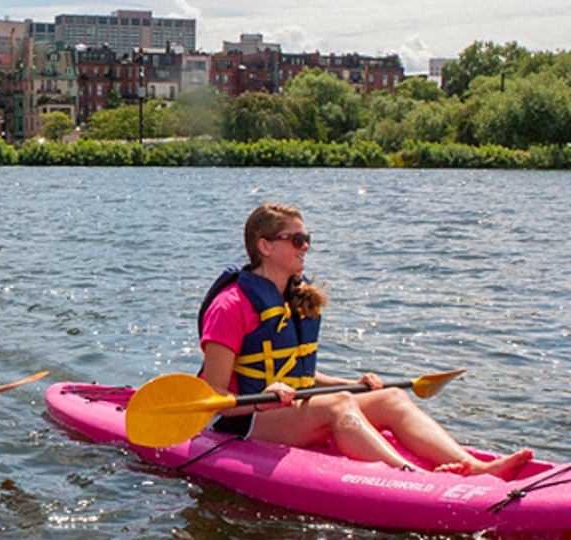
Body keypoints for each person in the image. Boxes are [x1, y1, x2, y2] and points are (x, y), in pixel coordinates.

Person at [198, 202, 532, 480]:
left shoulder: (292, 298)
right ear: (265, 246)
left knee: (391, 397)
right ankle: (413, 479)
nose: (306, 247)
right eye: (296, 239)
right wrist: (263, 399)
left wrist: (351, 383)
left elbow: (297, 373)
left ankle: (473, 467)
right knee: (338, 404)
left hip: (283, 406)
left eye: (306, 238)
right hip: (238, 419)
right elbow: (214, 394)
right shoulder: (230, 306)